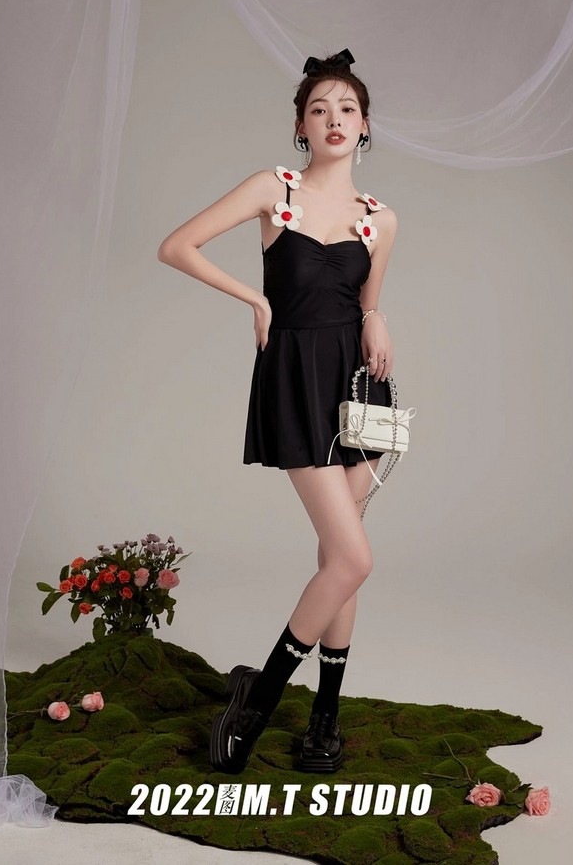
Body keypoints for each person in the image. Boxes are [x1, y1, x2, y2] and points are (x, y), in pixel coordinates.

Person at [157, 48, 398, 774]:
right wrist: (255, 298)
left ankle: (325, 720)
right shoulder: (275, 189)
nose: (334, 119)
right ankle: (256, 704)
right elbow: (177, 246)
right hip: (293, 381)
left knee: (340, 560)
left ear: (365, 126)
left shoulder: (381, 218)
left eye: (347, 109)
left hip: (358, 390)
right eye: (319, 109)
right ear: (301, 126)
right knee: (353, 558)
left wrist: (379, 319)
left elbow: (367, 301)